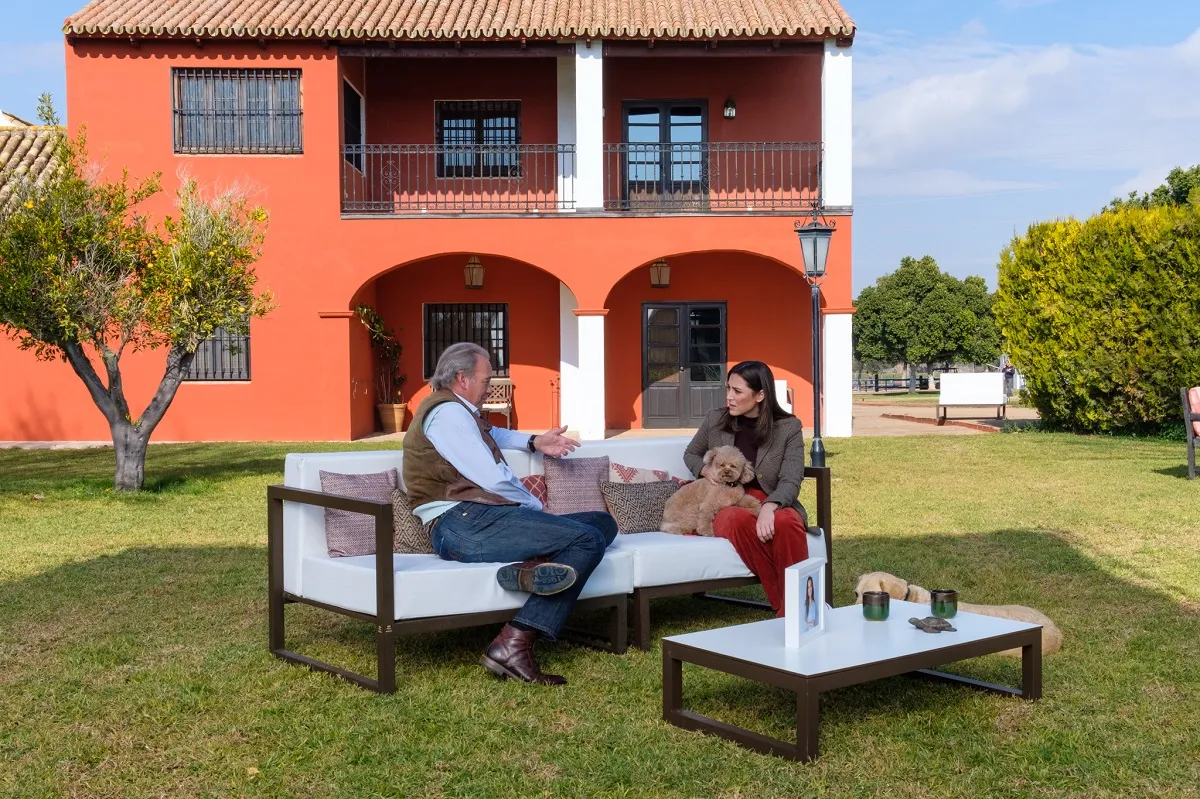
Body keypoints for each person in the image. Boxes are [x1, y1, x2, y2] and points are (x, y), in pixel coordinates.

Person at [403, 342, 618, 686]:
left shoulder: (460, 412)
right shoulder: (447, 414)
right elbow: (491, 478)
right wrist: (534, 507)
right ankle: (514, 642)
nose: (490, 387)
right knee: (587, 538)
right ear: (462, 378)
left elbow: (492, 434)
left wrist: (534, 441)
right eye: (486, 380)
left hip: (478, 519)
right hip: (460, 523)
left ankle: (529, 569)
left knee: (602, 522)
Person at [683, 360, 812, 617]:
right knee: (736, 519)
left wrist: (770, 506)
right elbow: (691, 454)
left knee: (786, 522)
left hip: (772, 499)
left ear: (760, 395)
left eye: (737, 391)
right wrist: (705, 469)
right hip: (726, 501)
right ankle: (796, 609)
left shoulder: (788, 427)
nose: (729, 397)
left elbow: (791, 478)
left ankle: (792, 611)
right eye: (728, 389)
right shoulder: (715, 420)